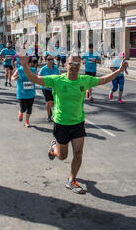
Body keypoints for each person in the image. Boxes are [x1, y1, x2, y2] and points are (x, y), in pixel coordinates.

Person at [18, 53, 128, 194]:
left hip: (78, 123)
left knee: (78, 153)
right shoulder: (57, 80)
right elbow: (34, 78)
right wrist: (25, 65)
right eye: (71, 64)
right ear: (65, 64)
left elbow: (102, 80)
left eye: (77, 64)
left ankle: (71, 180)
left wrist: (118, 71)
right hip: (61, 123)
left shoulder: (85, 80)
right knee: (62, 156)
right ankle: (54, 148)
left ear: (80, 65)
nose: (74, 67)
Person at [12, 57, 36, 128]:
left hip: (31, 93)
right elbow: (12, 77)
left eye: (28, 63)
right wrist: (15, 78)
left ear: (30, 63)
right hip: (22, 93)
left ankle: (27, 121)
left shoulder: (33, 70)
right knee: (23, 108)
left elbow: (38, 78)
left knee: (29, 108)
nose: (26, 64)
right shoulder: (19, 70)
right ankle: (21, 112)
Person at [39, 54, 60, 122]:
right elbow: (39, 78)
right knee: (49, 102)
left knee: (54, 102)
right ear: (45, 60)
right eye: (49, 59)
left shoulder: (56, 68)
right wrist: (45, 85)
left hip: (54, 88)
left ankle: (50, 111)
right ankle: (48, 116)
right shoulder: (43, 69)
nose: (50, 61)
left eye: (52, 59)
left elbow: (58, 77)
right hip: (45, 88)